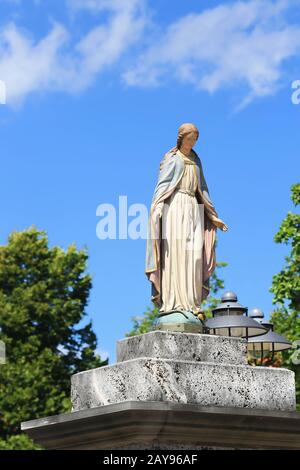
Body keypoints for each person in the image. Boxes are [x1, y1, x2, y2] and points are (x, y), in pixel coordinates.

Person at [145, 123, 228, 319]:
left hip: (194, 208)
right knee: (176, 253)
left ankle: (192, 303)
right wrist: (157, 208)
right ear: (181, 138)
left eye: (195, 140)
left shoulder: (197, 160)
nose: (192, 143)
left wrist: (213, 216)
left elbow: (203, 189)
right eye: (190, 139)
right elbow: (161, 187)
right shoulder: (172, 159)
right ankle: (174, 301)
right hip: (175, 207)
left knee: (194, 256)